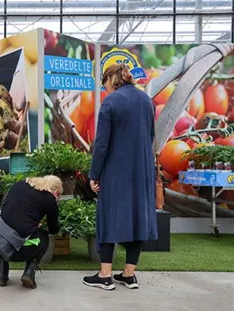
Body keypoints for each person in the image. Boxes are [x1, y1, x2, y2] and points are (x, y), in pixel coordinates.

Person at [83, 63, 158, 291]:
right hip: (143, 171)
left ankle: (105, 275)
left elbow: (101, 144)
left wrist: (94, 174)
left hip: (116, 172)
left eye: (104, 82)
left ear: (111, 79)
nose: (104, 87)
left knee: (108, 217)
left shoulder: (111, 101)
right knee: (138, 217)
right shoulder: (146, 101)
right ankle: (128, 274)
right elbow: (151, 135)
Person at [0, 175, 62, 289]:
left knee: (7, 233)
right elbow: (54, 229)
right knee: (44, 236)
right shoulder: (49, 199)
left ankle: (2, 274)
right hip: (20, 251)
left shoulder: (18, 185)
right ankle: (29, 273)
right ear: (56, 192)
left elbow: (8, 210)